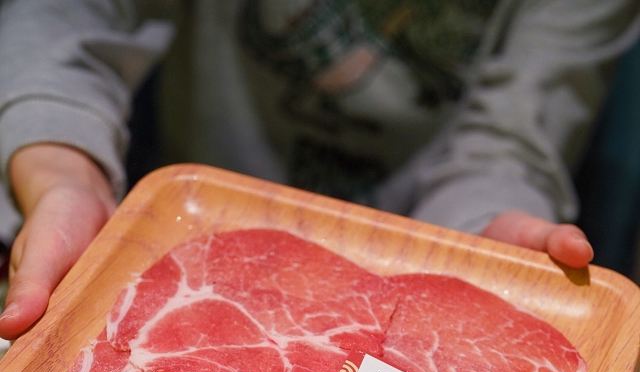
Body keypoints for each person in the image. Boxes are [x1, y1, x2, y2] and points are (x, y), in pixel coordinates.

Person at [0, 0, 638, 341]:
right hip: (193, 248)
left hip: (412, 269)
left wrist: (481, 243)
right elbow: (67, 15)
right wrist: (63, 169)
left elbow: (512, 135)